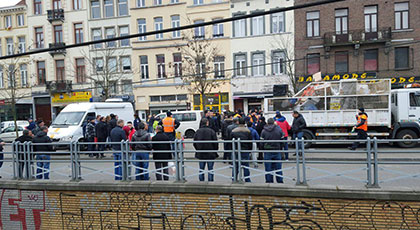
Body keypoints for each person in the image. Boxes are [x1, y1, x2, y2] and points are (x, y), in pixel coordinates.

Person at [261, 118, 284, 183]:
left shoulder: (264, 131)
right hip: (277, 150)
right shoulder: (278, 129)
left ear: (267, 123)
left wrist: (263, 148)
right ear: (274, 122)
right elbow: (282, 140)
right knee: (278, 168)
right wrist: (280, 147)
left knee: (268, 168)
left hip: (267, 150)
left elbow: (261, 142)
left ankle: (269, 181)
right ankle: (280, 181)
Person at [231, 118, 253, 182]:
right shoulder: (248, 131)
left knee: (235, 166)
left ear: (238, 123)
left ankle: (234, 178)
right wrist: (250, 150)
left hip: (236, 150)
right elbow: (250, 142)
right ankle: (247, 179)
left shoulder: (234, 131)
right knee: (246, 166)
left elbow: (230, 140)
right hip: (245, 150)